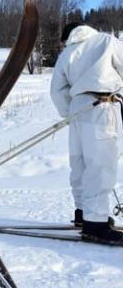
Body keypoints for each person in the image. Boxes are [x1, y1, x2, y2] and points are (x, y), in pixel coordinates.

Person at [50, 22, 123, 245]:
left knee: (80, 163)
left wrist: (70, 112)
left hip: (78, 110)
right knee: (100, 165)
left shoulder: (67, 53)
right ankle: (96, 224)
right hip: (101, 106)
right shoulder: (106, 41)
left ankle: (84, 212)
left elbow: (57, 90)